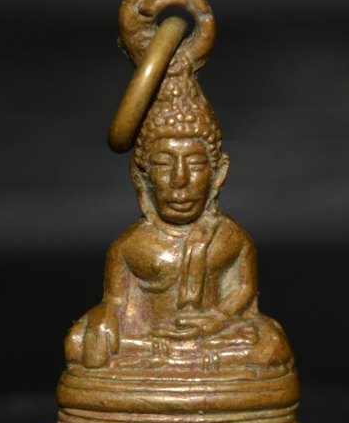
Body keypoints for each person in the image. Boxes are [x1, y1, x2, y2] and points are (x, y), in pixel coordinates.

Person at [64, 59, 292, 374]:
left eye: (195, 165)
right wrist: (105, 322)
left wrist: (218, 319)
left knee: (272, 343)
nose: (180, 180)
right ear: (141, 176)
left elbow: (244, 292)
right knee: (78, 341)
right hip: (150, 340)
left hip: (216, 336)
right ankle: (180, 362)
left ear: (218, 175)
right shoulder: (130, 247)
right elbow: (115, 307)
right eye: (164, 164)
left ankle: (181, 362)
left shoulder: (231, 238)